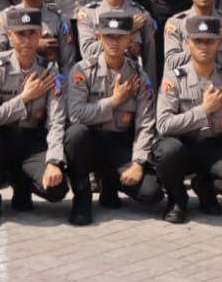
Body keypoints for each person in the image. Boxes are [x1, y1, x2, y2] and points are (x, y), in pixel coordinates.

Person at [0, 9, 73, 226]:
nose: (26, 39)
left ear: (39, 36)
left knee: (57, 191)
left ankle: (22, 183)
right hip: (2, 140)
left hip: (31, 142)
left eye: (31, 33)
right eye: (20, 34)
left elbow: (56, 121)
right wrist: (25, 98)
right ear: (10, 36)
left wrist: (55, 161)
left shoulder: (49, 72)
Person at [153, 15, 222, 224]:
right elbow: (163, 124)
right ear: (187, 43)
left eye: (210, 41)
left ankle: (205, 186)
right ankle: (177, 198)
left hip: (214, 149)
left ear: (219, 42)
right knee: (166, 151)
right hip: (181, 147)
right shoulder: (173, 78)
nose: (204, 46)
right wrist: (205, 110)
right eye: (198, 41)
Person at [64, 11, 162, 220]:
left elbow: (146, 124)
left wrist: (138, 163)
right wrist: (115, 102)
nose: (114, 42)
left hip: (119, 145)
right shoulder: (82, 70)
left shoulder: (139, 76)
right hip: (90, 143)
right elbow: (76, 115)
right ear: (99, 37)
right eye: (109, 36)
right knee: (75, 134)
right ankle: (82, 196)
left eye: (120, 36)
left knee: (151, 192)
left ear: (130, 39)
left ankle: (110, 181)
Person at [73, 0, 156, 76]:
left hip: (131, 79)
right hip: (97, 82)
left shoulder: (141, 15)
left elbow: (150, 60)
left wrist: (150, 90)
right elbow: (87, 51)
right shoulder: (88, 14)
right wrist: (126, 29)